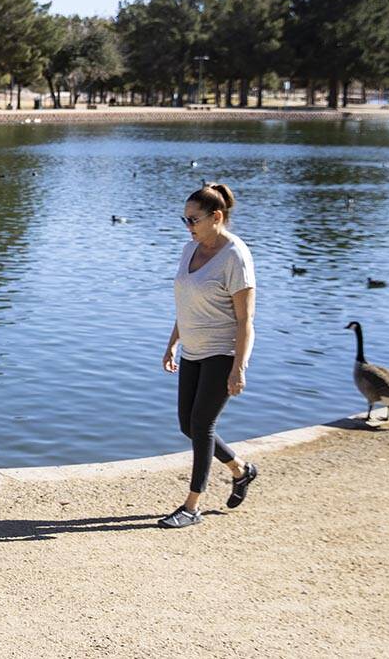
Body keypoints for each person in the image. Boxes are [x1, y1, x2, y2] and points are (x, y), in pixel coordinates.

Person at [158, 182, 258, 528]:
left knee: (202, 424)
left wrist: (238, 368)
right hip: (193, 350)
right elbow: (187, 304)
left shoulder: (236, 257)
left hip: (222, 352)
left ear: (217, 217)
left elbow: (246, 320)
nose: (188, 227)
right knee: (188, 424)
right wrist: (173, 341)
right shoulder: (189, 250)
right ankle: (240, 470)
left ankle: (191, 506)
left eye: (194, 220)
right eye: (184, 220)